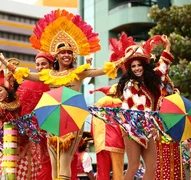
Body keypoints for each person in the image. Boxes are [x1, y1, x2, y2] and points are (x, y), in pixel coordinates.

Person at [0, 9, 137, 180]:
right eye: (63, 52)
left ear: (73, 56)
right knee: (54, 164)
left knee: (64, 164)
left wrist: (124, 59)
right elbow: (26, 74)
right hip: (52, 119)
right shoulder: (48, 75)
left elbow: (103, 70)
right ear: (56, 56)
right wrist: (5, 62)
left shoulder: (79, 72)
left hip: (71, 120)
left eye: (69, 53)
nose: (66, 55)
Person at [113, 33, 174, 180]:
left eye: (139, 65)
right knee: (133, 166)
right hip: (131, 128)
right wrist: (144, 125)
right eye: (133, 66)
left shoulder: (151, 80)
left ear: (144, 65)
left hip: (147, 128)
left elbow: (163, 67)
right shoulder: (128, 85)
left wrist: (167, 46)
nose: (136, 68)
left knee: (152, 167)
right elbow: (132, 110)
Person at [16, 52, 54, 180]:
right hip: (36, 132)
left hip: (54, 128)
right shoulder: (27, 84)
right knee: (44, 163)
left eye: (43, 64)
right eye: (37, 64)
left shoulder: (57, 82)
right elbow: (21, 107)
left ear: (51, 65)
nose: (40, 67)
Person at [90, 84, 125, 180]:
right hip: (117, 143)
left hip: (100, 143)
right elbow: (125, 125)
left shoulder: (97, 105)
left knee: (102, 174)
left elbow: (92, 129)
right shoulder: (121, 105)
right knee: (118, 173)